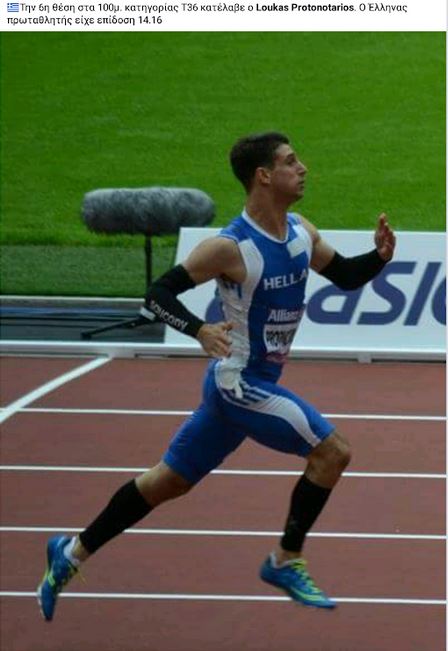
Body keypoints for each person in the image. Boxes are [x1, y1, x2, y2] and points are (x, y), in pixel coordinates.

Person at [37, 132, 396, 620]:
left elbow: (347, 275)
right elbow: (157, 294)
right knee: (333, 452)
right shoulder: (230, 247)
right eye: (291, 161)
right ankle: (284, 560)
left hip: (245, 385)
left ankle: (71, 552)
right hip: (239, 384)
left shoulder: (300, 232)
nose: (303, 168)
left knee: (167, 482)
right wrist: (199, 329)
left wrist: (379, 257)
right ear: (263, 176)